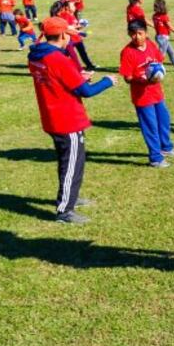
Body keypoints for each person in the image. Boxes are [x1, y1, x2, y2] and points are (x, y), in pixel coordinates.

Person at [27, 17, 116, 224]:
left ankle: (70, 198)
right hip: (67, 120)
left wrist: (78, 75)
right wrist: (107, 81)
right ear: (62, 35)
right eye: (68, 34)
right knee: (72, 164)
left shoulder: (36, 55)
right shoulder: (58, 58)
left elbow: (58, 80)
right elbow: (86, 92)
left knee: (68, 161)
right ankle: (65, 209)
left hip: (51, 117)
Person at [120, 20, 174, 168]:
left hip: (157, 93)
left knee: (164, 120)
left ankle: (166, 147)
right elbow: (127, 78)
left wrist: (158, 73)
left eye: (140, 33)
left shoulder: (151, 45)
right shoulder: (127, 52)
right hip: (142, 97)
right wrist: (142, 80)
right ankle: (155, 158)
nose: (137, 37)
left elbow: (159, 62)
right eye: (133, 34)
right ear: (129, 34)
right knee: (150, 126)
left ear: (146, 32)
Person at [57, 0, 95, 70]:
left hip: (77, 38)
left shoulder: (72, 15)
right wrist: (77, 28)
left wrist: (81, 26)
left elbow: (75, 26)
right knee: (68, 54)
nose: (74, 7)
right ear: (67, 7)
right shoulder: (65, 15)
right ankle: (62, 65)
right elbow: (67, 27)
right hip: (70, 39)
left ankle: (89, 65)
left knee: (83, 53)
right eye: (72, 6)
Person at [152, 0, 174, 72]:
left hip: (159, 37)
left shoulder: (154, 16)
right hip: (163, 38)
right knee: (161, 55)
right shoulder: (164, 16)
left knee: (171, 52)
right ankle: (156, 70)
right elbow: (170, 27)